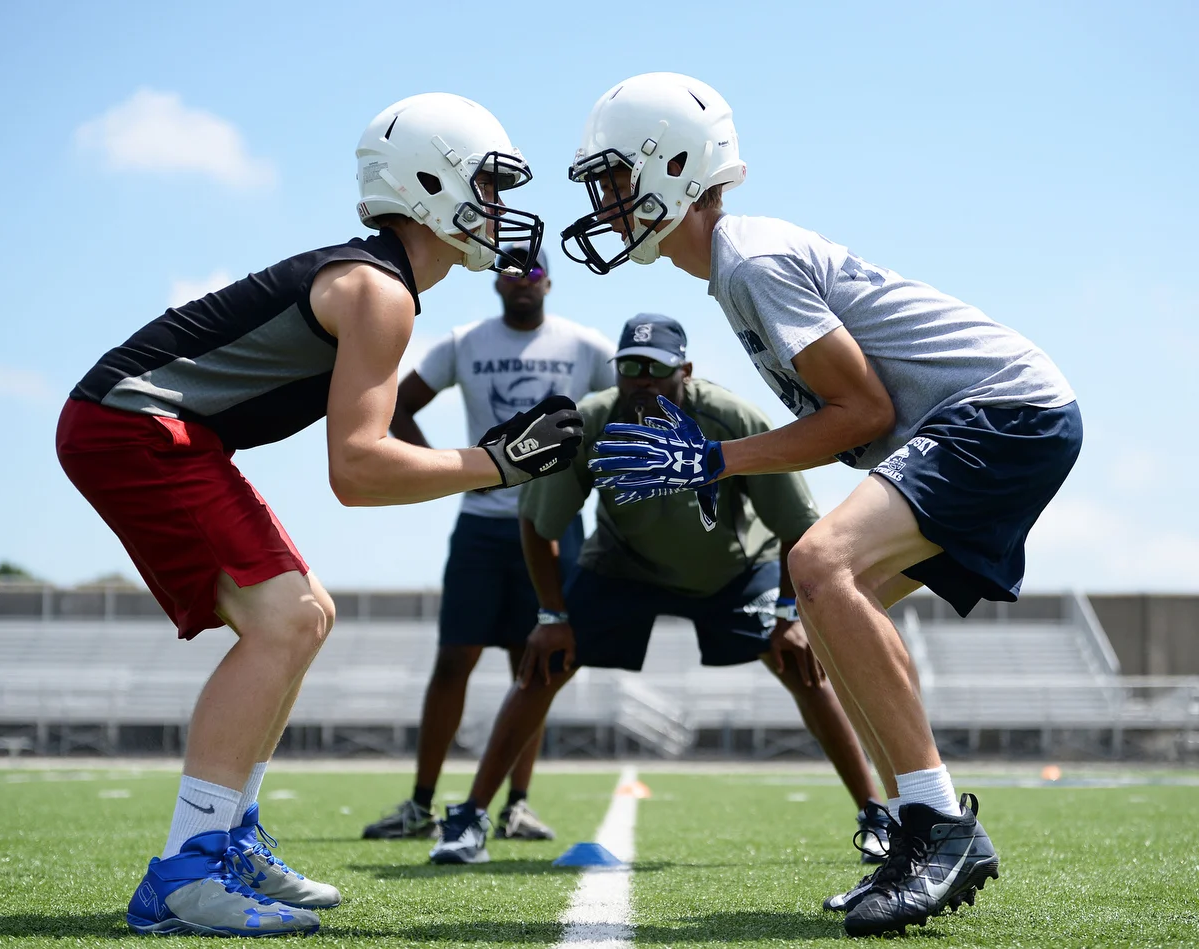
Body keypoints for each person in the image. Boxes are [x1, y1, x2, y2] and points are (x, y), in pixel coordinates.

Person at [562, 74, 1081, 937]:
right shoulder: (736, 268)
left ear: (675, 167)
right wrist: (719, 461)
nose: (607, 202)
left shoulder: (751, 260)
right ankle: (924, 826)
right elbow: (858, 416)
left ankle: (939, 826)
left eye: (616, 179)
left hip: (1002, 410)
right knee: (826, 604)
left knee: (819, 562)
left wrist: (717, 459)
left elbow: (864, 411)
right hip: (1001, 414)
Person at [56, 93, 583, 937]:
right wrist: (501, 460)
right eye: (483, 186)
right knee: (286, 620)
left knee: (307, 616)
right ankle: (189, 868)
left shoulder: (379, 281)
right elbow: (359, 470)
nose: (496, 208)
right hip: (138, 426)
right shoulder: (382, 293)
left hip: (154, 427)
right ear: (428, 182)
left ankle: (225, 836)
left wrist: (492, 459)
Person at [428, 313, 890, 866]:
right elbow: (536, 523)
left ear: (685, 371)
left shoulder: (731, 417)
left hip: (731, 567)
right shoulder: (590, 423)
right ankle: (472, 817)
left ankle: (876, 816)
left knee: (802, 666)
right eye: (630, 368)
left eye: (656, 368)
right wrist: (552, 617)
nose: (642, 379)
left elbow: (797, 524)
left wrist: (791, 613)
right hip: (626, 566)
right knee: (544, 663)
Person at [366, 247, 615, 842]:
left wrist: (594, 481)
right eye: (508, 269)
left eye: (530, 270)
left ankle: (516, 805)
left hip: (554, 525)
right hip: (481, 520)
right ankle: (420, 805)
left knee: (535, 665)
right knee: (454, 660)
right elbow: (398, 404)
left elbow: (625, 415)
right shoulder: (464, 341)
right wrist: (442, 468)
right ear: (495, 282)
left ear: (548, 281)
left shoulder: (586, 347)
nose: (519, 278)